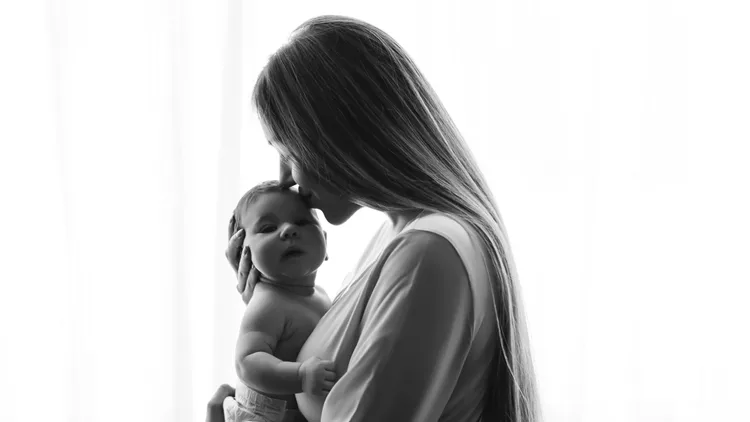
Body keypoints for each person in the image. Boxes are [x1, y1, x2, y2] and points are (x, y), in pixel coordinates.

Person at [208, 15, 541, 422]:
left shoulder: (426, 253)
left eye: (289, 151)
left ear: (337, 134)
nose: (285, 179)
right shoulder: (400, 235)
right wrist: (278, 307)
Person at [222, 180, 336, 422]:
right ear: (245, 254)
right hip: (264, 416)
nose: (288, 230)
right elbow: (247, 361)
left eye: (302, 222)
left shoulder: (323, 295)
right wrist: (301, 376)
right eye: (267, 228)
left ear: (325, 243)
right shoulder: (267, 303)